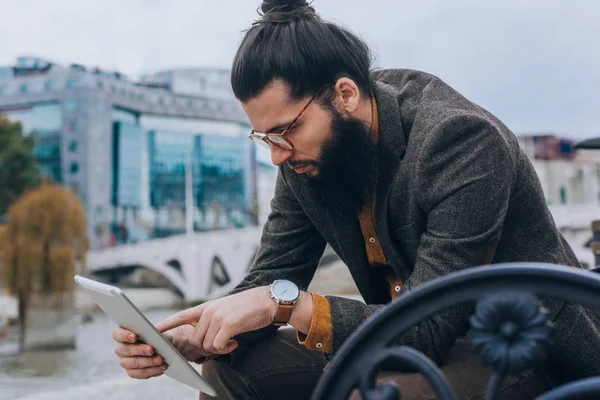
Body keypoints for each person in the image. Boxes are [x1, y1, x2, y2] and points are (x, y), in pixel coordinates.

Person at [112, 1, 600, 399]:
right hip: (402, 340)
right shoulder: (308, 155)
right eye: (264, 138)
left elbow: (427, 326)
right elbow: (269, 281)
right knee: (227, 374)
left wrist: (286, 305)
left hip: (525, 345)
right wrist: (195, 337)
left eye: (285, 131)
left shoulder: (460, 141)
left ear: (344, 94)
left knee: (375, 392)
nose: (277, 156)